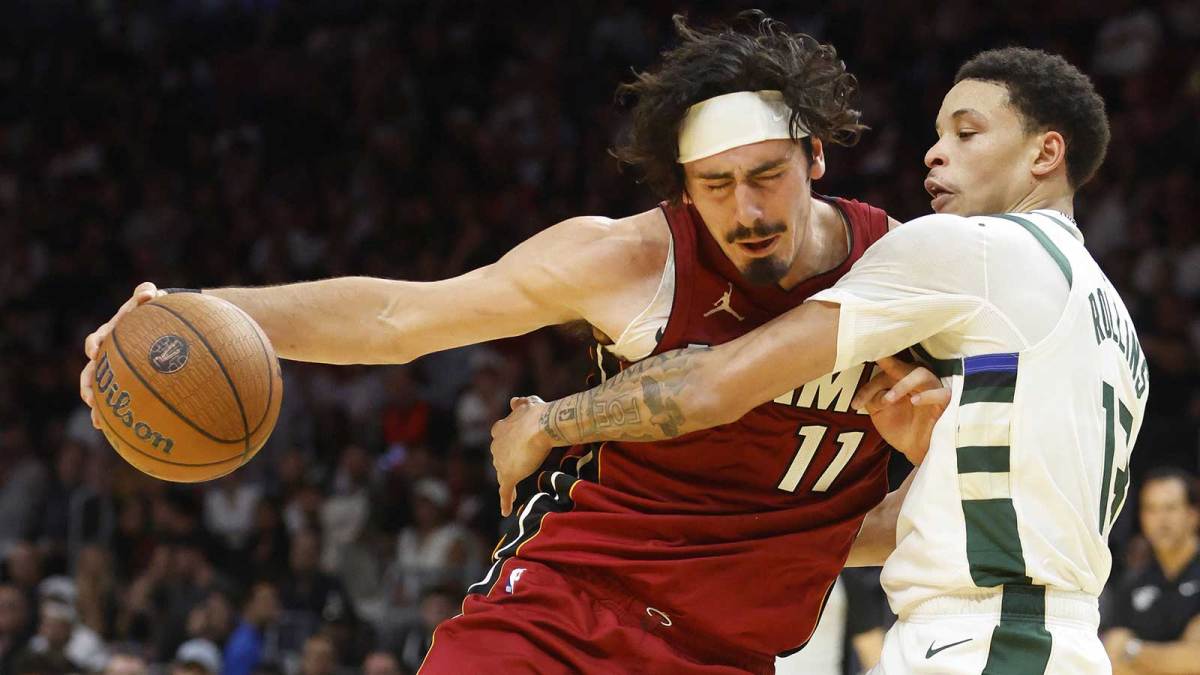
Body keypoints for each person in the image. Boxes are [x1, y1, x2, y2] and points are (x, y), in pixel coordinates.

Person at [78, 13, 946, 673]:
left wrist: (865, 514)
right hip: (560, 618)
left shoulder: (903, 276)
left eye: (767, 176)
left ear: (815, 158)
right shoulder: (631, 258)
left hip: (732, 654)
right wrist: (194, 310)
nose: (748, 212)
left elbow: (880, 515)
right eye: (716, 185)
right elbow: (399, 319)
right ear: (683, 184)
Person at [493, 46, 1142, 674]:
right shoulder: (1110, 320)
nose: (935, 151)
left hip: (985, 641)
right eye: (939, 132)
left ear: (1046, 152)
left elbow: (715, 381)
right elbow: (961, 509)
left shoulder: (976, 250)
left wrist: (550, 421)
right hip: (1037, 638)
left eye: (967, 134)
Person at [1103, 468, 1200, 673]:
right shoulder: (1133, 582)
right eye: (1151, 509)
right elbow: (1112, 657)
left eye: (1170, 508)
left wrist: (1133, 650)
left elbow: (1195, 660)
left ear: (1193, 514)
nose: (1160, 520)